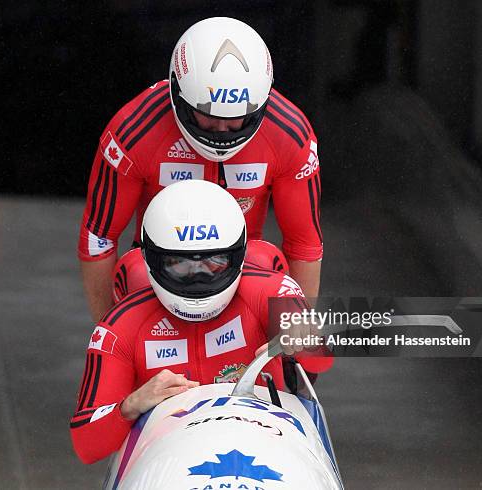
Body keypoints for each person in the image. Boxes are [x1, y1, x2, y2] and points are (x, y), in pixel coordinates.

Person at [79, 16, 324, 321]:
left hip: (240, 268)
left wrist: (296, 340)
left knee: (266, 262)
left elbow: (304, 243)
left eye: (236, 118)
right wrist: (111, 333)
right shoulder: (133, 131)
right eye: (207, 116)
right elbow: (98, 238)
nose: (222, 129)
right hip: (162, 269)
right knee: (135, 274)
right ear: (178, 93)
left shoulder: (290, 134)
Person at [70, 181, 332, 464]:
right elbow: (87, 444)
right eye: (179, 264)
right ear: (151, 259)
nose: (197, 276)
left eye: (213, 263)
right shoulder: (120, 327)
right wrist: (131, 405)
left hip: (269, 444)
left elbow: (323, 358)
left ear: (237, 255)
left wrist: (305, 339)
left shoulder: (271, 291)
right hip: (167, 456)